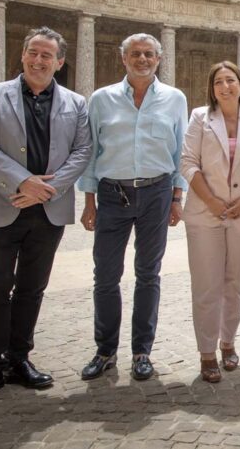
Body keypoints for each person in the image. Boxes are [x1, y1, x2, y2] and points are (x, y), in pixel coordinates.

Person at [0, 27, 91, 406]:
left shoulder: (75, 102)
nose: (39, 60)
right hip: (3, 205)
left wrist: (47, 189)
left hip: (48, 210)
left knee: (32, 288)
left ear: (60, 62)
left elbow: (82, 151)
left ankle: (19, 359)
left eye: (47, 56)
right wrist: (22, 181)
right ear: (22, 55)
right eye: (33, 53)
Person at [78, 33, 188, 382]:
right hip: (112, 193)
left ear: (159, 59)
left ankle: (142, 350)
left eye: (149, 55)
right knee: (106, 275)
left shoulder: (174, 98)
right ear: (123, 59)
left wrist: (176, 198)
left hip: (156, 192)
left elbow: (180, 152)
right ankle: (105, 350)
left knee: (148, 273)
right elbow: (92, 153)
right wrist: (89, 201)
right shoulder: (101, 99)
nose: (142, 60)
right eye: (135, 54)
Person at [180, 61, 240, 383]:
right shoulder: (199, 117)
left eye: (230, 80)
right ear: (212, 88)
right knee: (206, 284)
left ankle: (228, 342)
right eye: (218, 81)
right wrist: (211, 200)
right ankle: (207, 352)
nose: (225, 86)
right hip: (206, 213)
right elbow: (188, 161)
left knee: (235, 281)